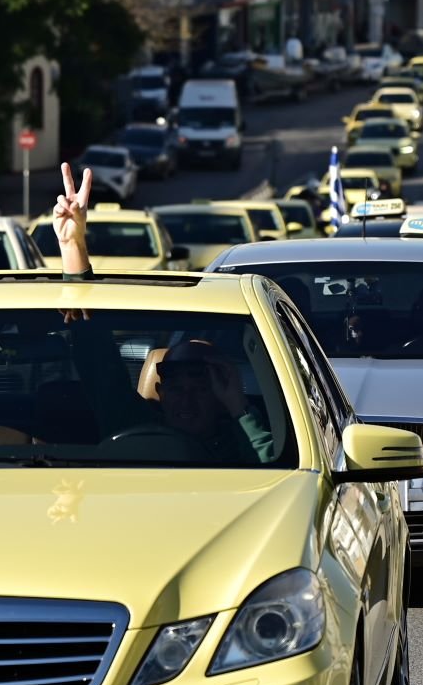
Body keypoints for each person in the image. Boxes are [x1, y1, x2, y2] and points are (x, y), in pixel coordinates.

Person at [53, 163, 274, 463]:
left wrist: (239, 408)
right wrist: (72, 246)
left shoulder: (240, 440)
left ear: (221, 396)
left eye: (200, 389)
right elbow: (96, 355)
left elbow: (277, 470)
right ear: (160, 393)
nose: (188, 402)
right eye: (178, 389)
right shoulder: (134, 425)